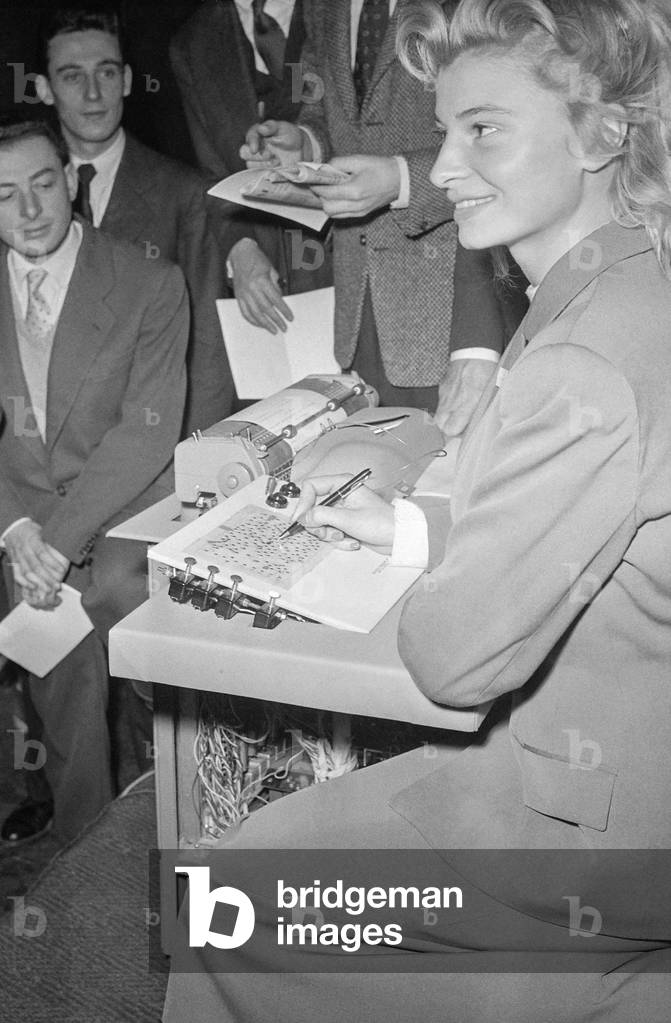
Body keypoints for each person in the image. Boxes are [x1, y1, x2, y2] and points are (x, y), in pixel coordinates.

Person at [163, 0, 671, 1019]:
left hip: (584, 843)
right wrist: (407, 529)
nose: (438, 168)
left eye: (479, 129)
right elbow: (603, 538)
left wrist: (418, 569)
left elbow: (453, 663)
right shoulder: (624, 286)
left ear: (602, 134)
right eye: (442, 131)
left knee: (216, 897)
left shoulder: (575, 353)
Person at [0, 114, 187, 845]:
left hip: (113, 510)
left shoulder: (149, 282)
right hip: (15, 516)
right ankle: (81, 849)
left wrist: (53, 541)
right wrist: (17, 530)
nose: (29, 210)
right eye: (4, 193)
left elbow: (144, 432)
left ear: (71, 180)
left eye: (44, 183)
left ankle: (120, 835)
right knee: (51, 645)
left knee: (95, 604)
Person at [239, 0, 525, 429]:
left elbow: (507, 138)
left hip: (463, 304)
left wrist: (402, 178)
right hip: (358, 305)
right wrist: (304, 144)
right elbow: (327, 108)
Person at [34, 2, 234, 436]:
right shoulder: (19, 195)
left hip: (148, 444)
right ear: (44, 88)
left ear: (125, 81)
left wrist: (196, 461)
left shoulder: (183, 192)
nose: (93, 94)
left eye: (106, 73)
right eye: (72, 76)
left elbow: (209, 348)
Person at [170, 0, 334, 334]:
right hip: (266, 292)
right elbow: (212, 171)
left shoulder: (342, 10)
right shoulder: (192, 41)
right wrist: (240, 249)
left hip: (352, 261)